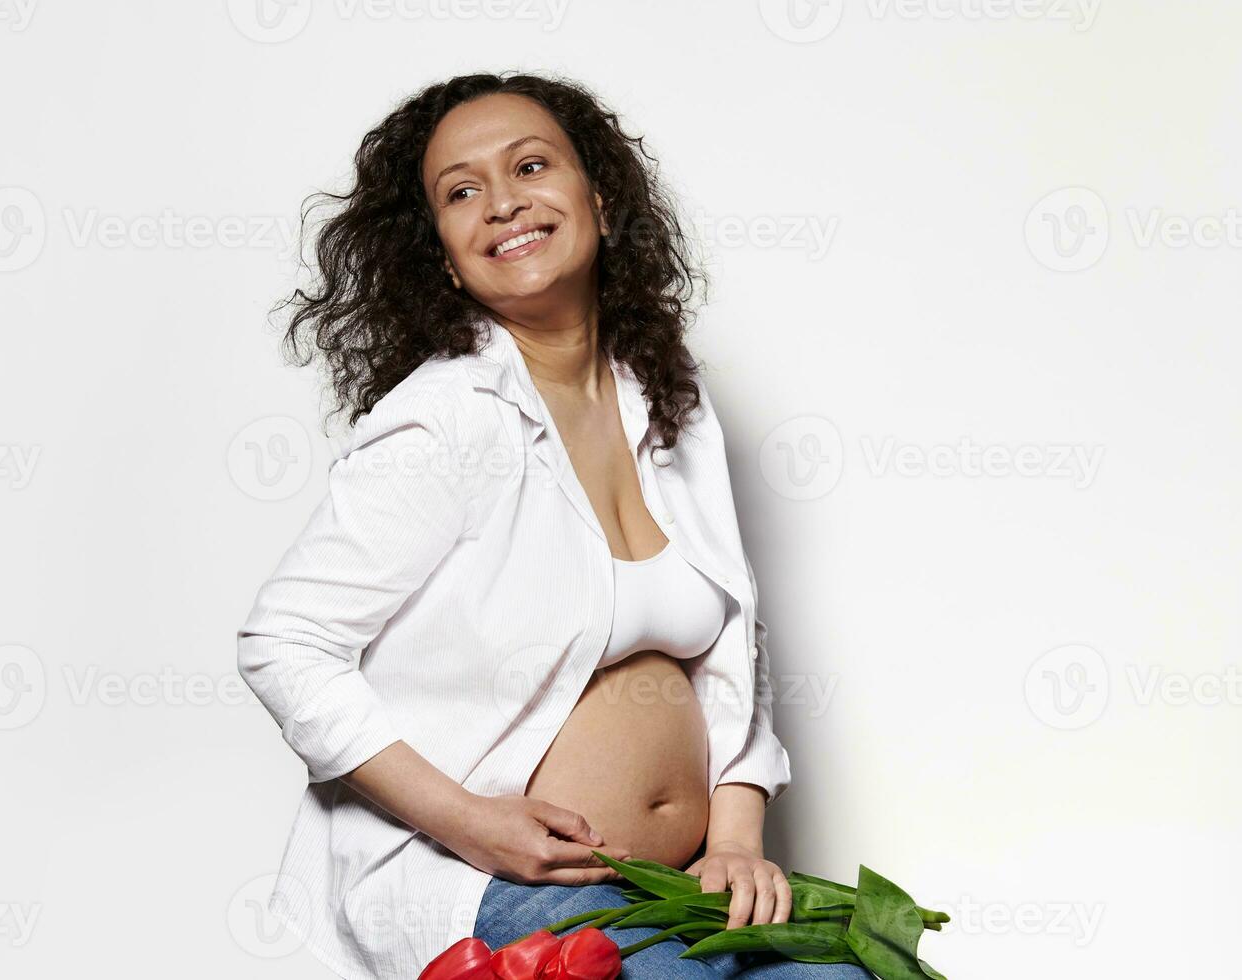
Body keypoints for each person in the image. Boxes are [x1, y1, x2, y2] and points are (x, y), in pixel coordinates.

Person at [238, 71, 865, 980]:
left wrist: (735, 836)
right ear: (445, 257)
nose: (502, 203)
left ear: (601, 205)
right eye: (462, 192)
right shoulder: (447, 421)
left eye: (531, 166)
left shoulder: (669, 400)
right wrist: (469, 821)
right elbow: (283, 643)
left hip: (677, 882)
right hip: (484, 879)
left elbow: (735, 640)